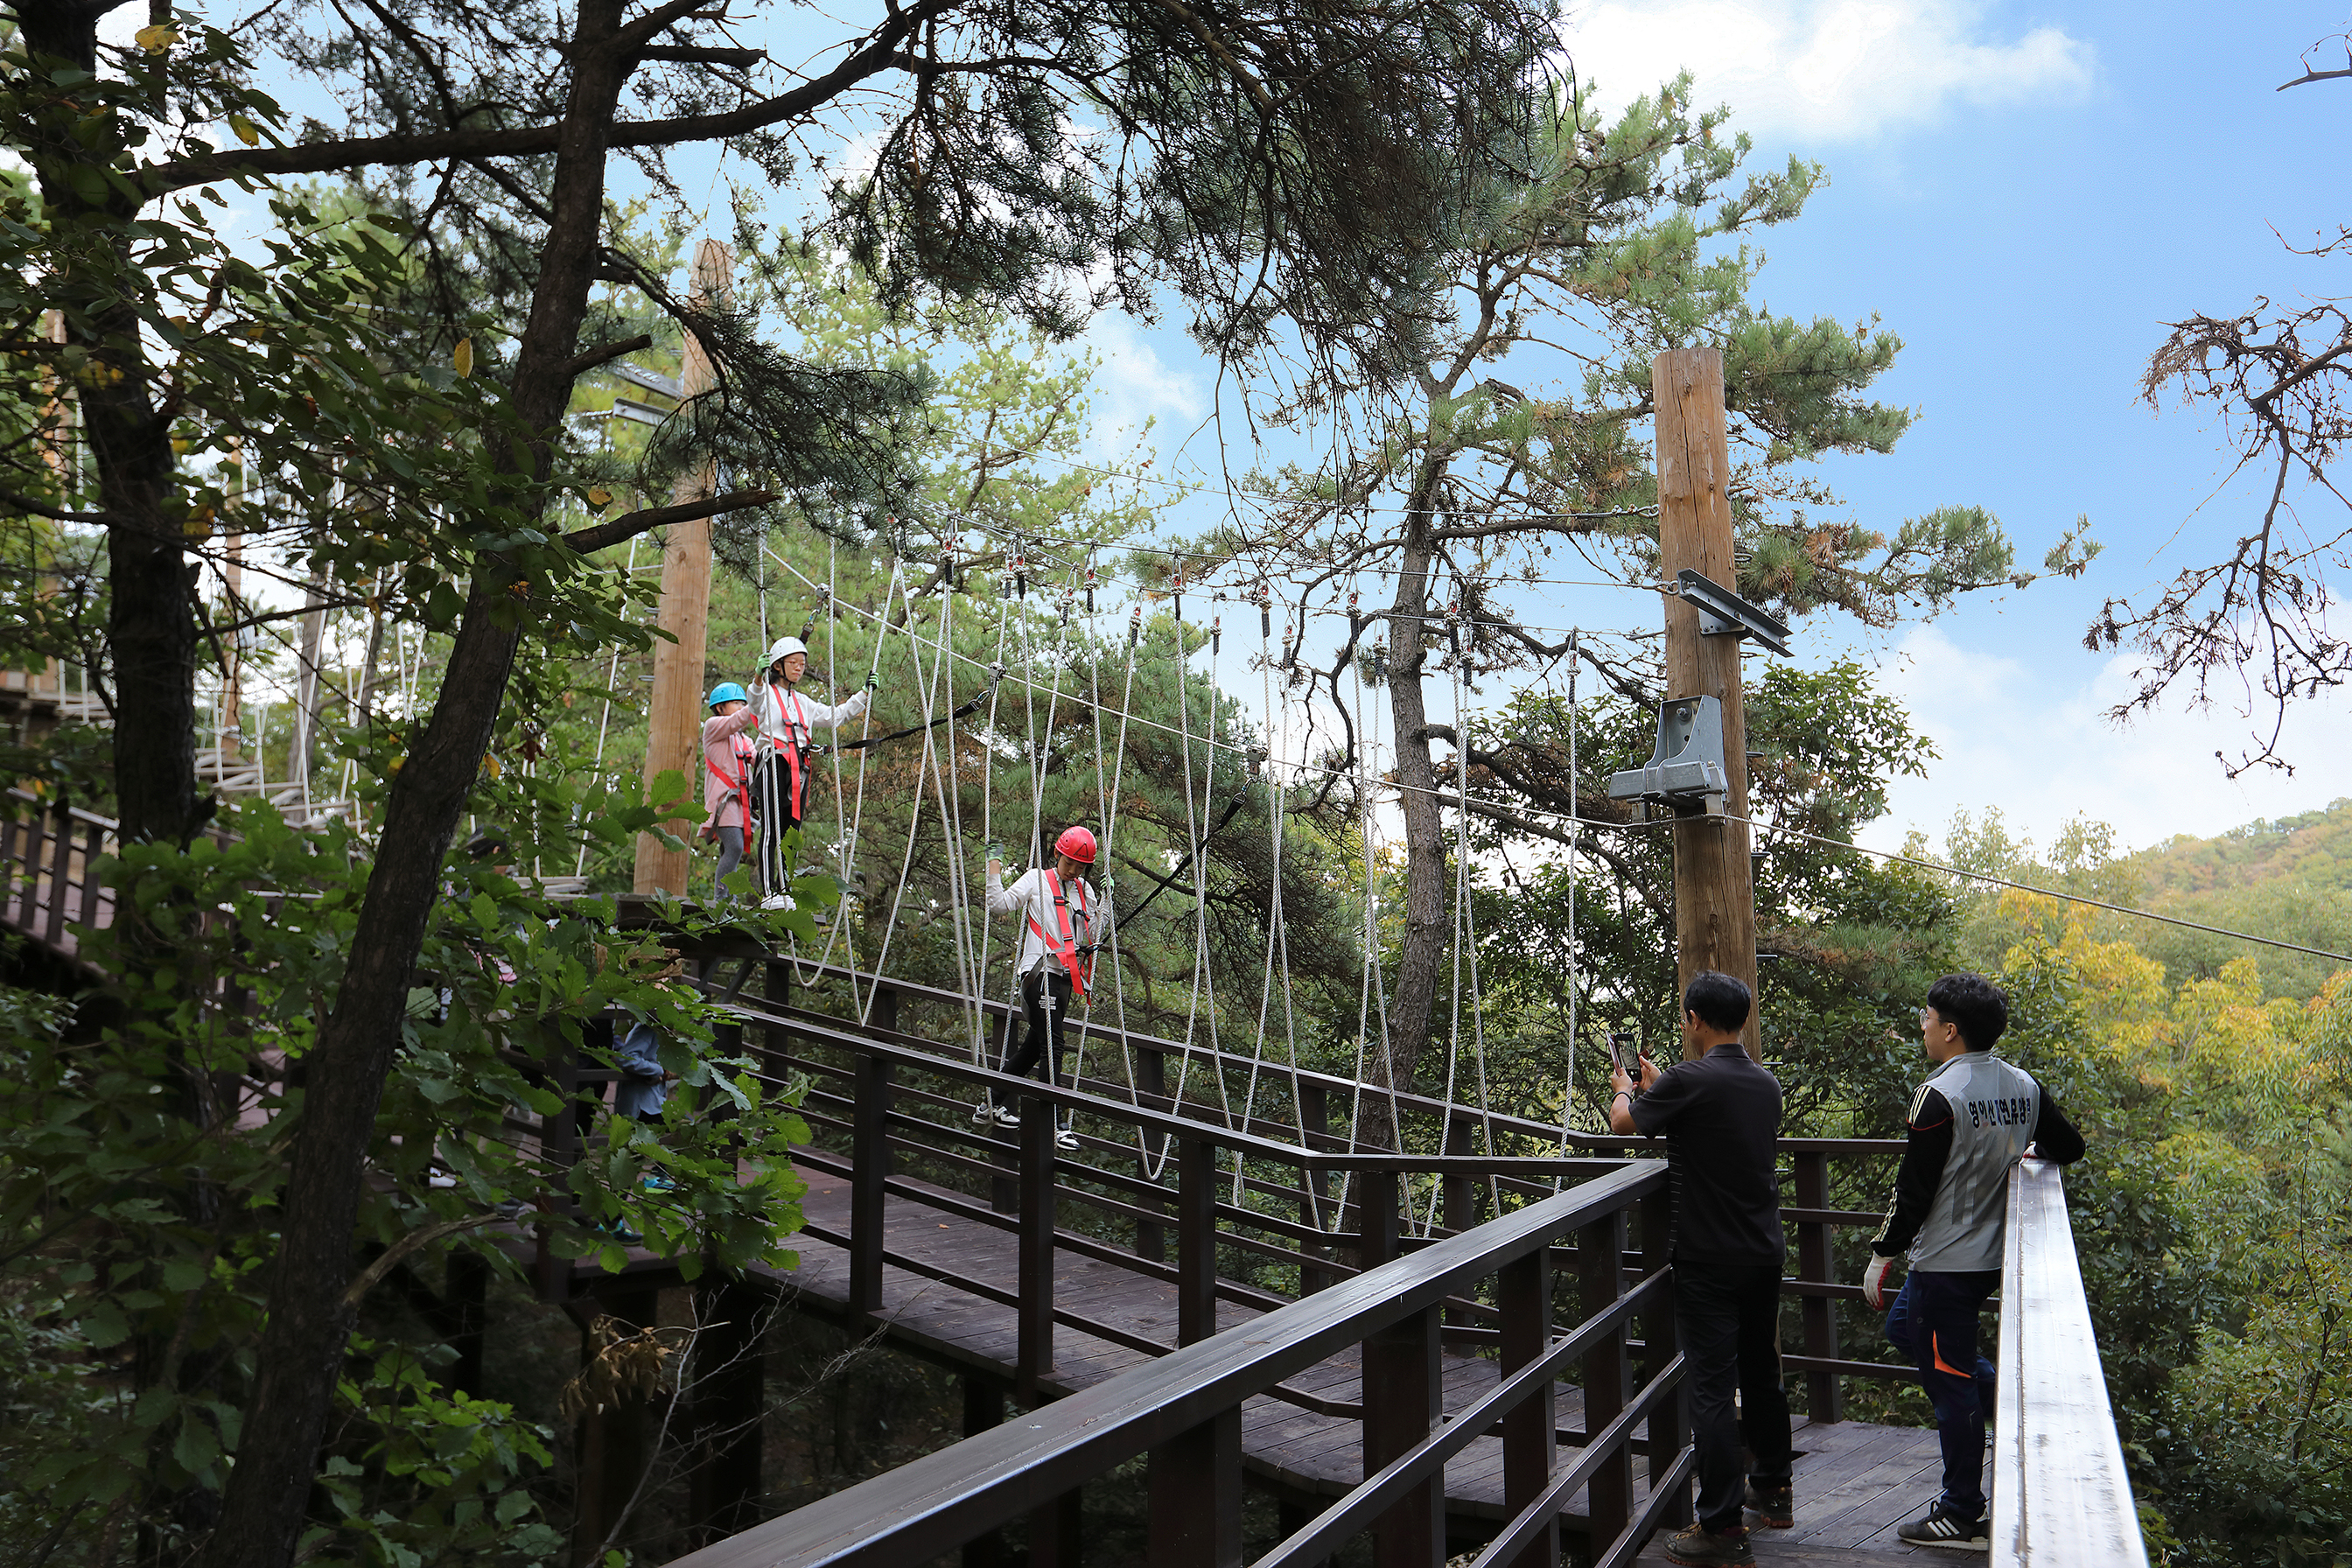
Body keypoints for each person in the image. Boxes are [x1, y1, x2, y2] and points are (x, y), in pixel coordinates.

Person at [1862, 972, 2085, 1550]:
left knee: (1950, 1383)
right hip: (1991, 1255)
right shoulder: (2022, 1085)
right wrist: (2027, 1147)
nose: (1924, 1024)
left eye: (1929, 1016)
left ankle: (1962, 1513)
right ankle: (2010, 1408)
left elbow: (1913, 1190)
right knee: (1907, 1332)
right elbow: (2070, 1146)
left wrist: (1882, 1256)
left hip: (1945, 1261)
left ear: (1951, 1030)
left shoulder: (1940, 1094)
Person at [1609, 972, 1792, 1568]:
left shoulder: (1690, 1079)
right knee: (1762, 1371)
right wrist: (1663, 1089)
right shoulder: (1765, 1083)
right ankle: (1775, 1492)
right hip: (1764, 1251)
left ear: (1694, 1019)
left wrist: (1624, 1091)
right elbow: (1716, 1127)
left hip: (1709, 1257)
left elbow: (1627, 1126)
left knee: (1712, 1388)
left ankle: (1719, 1526)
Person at [980, 826, 1104, 1151]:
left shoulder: (1084, 891)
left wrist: (1104, 907)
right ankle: (1055, 1122)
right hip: (1039, 974)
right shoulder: (1036, 879)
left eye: (1081, 866)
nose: (1074, 871)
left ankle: (990, 1103)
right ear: (1057, 855)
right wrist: (994, 863)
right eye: (1069, 864)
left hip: (1065, 979)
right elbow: (998, 905)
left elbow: (1090, 934)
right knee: (1055, 1043)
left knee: (1035, 1047)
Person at [748, 635, 874, 910]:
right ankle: (769, 892)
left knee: (791, 831)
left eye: (802, 664)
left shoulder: (804, 701)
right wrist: (758, 677)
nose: (799, 668)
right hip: (774, 761)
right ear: (778, 666)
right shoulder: (767, 693)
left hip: (800, 769)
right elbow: (755, 704)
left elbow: (836, 716)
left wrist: (863, 694)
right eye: (793, 663)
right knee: (772, 827)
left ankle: (782, 890)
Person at [699, 682, 760, 896]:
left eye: (743, 703)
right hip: (724, 802)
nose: (741, 707)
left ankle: (729, 899)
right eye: (736, 703)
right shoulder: (713, 727)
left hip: (742, 803)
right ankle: (722, 900)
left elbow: (757, 760)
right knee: (734, 846)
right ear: (720, 708)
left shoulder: (745, 740)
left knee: (731, 849)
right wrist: (756, 699)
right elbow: (738, 720)